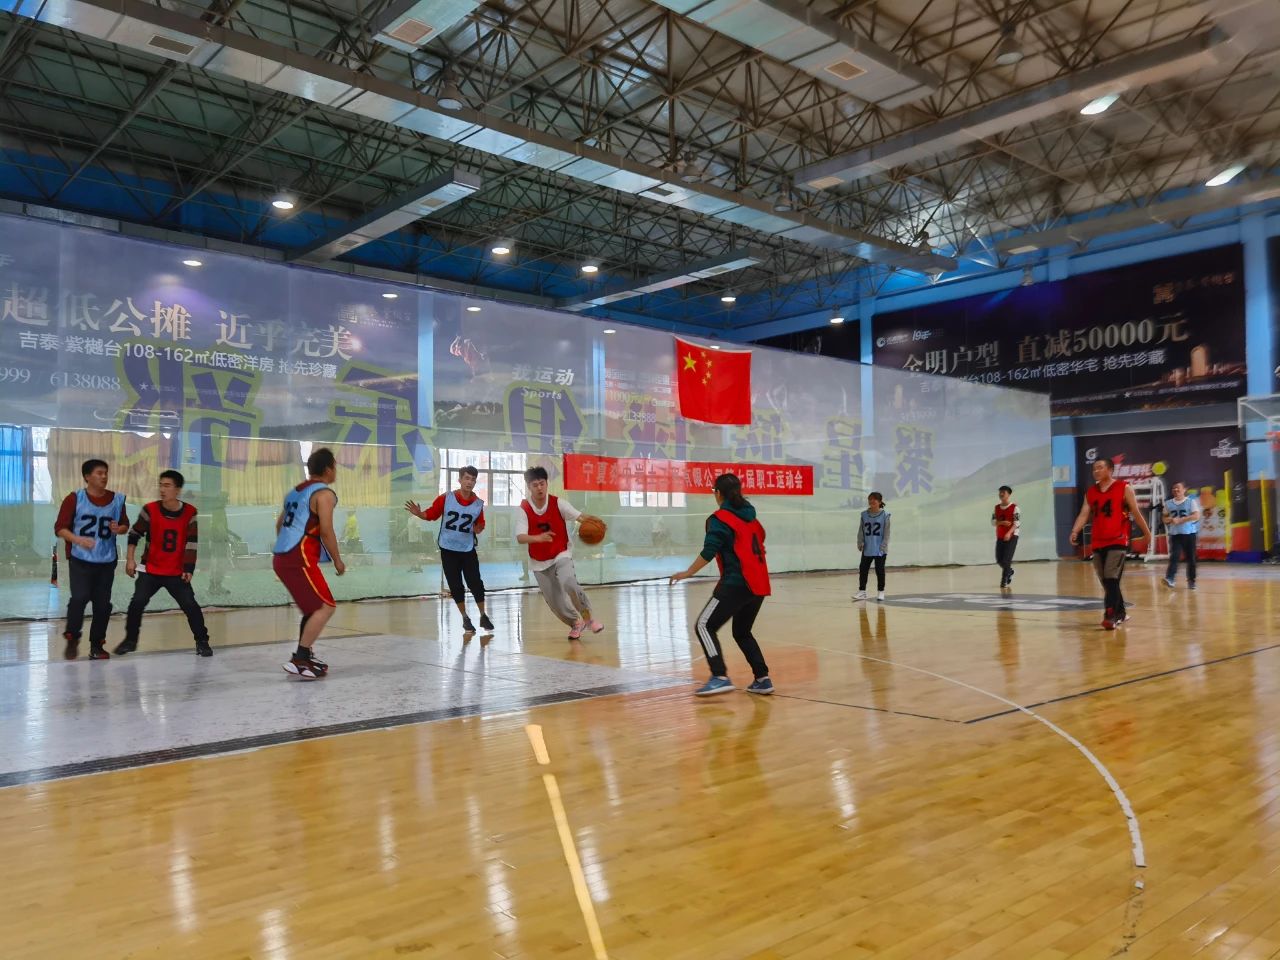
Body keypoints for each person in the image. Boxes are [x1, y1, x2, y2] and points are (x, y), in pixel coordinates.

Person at [670, 472, 773, 697]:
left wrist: (687, 572)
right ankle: (763, 679)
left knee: (704, 625)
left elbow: (709, 551)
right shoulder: (752, 519)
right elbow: (761, 539)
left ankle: (719, 676)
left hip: (737, 582)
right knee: (742, 632)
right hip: (759, 583)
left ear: (718, 493)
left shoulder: (720, 519)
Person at [115, 470, 212, 657]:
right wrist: (130, 559)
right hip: (150, 569)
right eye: (160, 485)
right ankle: (130, 641)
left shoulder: (190, 512)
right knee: (137, 603)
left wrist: (188, 569)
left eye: (167, 485)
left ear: (177, 490)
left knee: (190, 605)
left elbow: (191, 543)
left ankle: (202, 641)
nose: (162, 489)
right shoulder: (150, 510)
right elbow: (134, 534)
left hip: (176, 572)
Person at [273, 447, 346, 679]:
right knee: (326, 606)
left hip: (283, 556)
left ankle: (304, 654)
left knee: (312, 607)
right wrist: (337, 560)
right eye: (335, 466)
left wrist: (286, 549)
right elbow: (326, 531)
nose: (336, 471)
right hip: (299, 557)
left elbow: (279, 526)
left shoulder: (295, 492)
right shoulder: (324, 494)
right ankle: (300, 658)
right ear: (328, 469)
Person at [515, 466, 605, 640]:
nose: (539, 488)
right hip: (539, 561)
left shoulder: (558, 503)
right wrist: (538, 538)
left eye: (542, 483)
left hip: (561, 554)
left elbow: (580, 517)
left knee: (570, 583)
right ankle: (575, 623)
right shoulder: (524, 508)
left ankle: (588, 619)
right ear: (529, 487)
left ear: (547, 483)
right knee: (556, 602)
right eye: (535, 485)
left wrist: (596, 522)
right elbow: (520, 537)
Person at [405, 465, 495, 634]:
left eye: (473, 479)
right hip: (448, 549)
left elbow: (480, 524)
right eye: (466, 478)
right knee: (456, 585)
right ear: (459, 479)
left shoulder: (478, 504)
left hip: (467, 550)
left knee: (476, 583)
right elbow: (432, 514)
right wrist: (419, 513)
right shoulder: (446, 498)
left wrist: (478, 528)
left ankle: (483, 615)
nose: (469, 482)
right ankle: (465, 618)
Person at [54, 458, 129, 660]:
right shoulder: (74, 498)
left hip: (106, 560)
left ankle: (97, 645)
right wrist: (77, 539)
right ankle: (72, 637)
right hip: (81, 559)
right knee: (79, 598)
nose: (104, 476)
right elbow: (60, 528)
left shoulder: (117, 499)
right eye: (99, 473)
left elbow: (125, 525)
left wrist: (119, 528)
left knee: (102, 605)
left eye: (105, 473)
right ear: (87, 477)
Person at [1070, 457, 1153, 630]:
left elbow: (1136, 512)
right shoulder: (1091, 492)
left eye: (1100, 467)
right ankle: (1121, 612)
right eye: (1094, 468)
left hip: (1118, 539)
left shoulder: (1124, 488)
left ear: (1110, 470)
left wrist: (1147, 533)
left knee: (1111, 577)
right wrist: (1075, 531)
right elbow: (1084, 514)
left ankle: (1110, 615)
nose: (1096, 471)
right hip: (1098, 541)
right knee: (1106, 581)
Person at [1162, 481, 1200, 590]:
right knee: (1174, 557)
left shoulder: (1190, 502)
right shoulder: (1168, 503)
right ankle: (1170, 579)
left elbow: (1196, 516)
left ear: (1184, 490)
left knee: (1191, 558)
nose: (1175, 490)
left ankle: (1191, 581)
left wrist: (1183, 520)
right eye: (1174, 488)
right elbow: (1164, 518)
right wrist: (1171, 519)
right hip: (1175, 535)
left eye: (1178, 488)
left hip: (1189, 534)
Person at [854, 492, 890, 602]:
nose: (871, 501)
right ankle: (862, 591)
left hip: (880, 548)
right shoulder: (864, 515)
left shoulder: (885, 515)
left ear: (879, 502)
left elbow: (887, 533)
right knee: (863, 569)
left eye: (874, 499)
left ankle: (881, 591)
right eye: (870, 499)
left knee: (880, 570)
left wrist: (883, 547)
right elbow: (861, 530)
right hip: (867, 547)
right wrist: (860, 542)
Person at [993, 485, 1021, 588]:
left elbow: (1017, 523)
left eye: (1003, 492)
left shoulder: (1015, 508)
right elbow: (993, 522)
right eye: (1000, 492)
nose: (1001, 494)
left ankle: (1004, 580)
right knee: (999, 560)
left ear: (1008, 494)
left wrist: (1009, 533)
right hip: (1000, 536)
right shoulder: (996, 508)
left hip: (1012, 536)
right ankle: (1009, 571)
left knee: (1006, 559)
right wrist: (1001, 522)